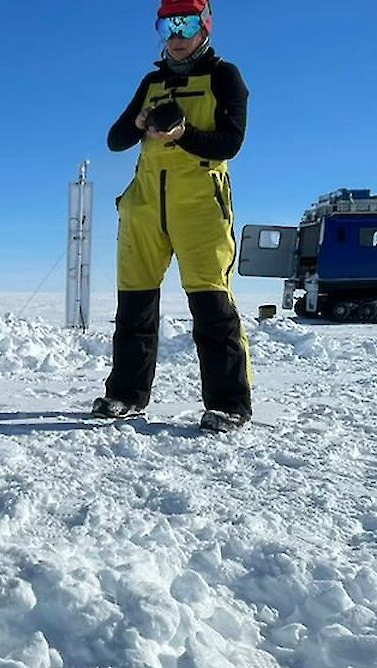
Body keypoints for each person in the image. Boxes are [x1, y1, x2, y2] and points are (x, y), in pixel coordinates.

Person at [92, 0, 253, 432]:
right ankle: (126, 394)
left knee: (212, 305)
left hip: (200, 206)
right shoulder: (152, 82)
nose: (176, 37)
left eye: (185, 25)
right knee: (134, 306)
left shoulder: (225, 76)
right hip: (145, 205)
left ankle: (229, 404)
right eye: (167, 26)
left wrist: (183, 134)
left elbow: (229, 143)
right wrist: (142, 120)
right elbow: (114, 140)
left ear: (205, 27)